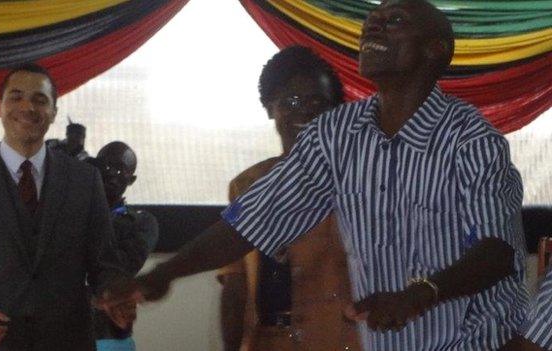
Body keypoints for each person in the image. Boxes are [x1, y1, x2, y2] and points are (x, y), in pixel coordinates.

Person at [101, 1, 529, 349]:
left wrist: (420, 295)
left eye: (393, 21)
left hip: (477, 342)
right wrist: (163, 274)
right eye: (371, 22)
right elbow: (254, 221)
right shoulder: (337, 134)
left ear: (436, 49)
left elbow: (496, 252)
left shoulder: (472, 140)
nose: (372, 30)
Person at [0, 64, 133, 351]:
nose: (27, 107)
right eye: (16, 97)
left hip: (70, 343)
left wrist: (115, 297)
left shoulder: (85, 180)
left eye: (40, 99)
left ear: (53, 113)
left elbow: (105, 264)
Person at [216, 46, 360, 351]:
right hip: (266, 341)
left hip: (338, 340)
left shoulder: (357, 180)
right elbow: (235, 285)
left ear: (333, 110)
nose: (304, 111)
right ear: (270, 107)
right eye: (291, 101)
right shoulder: (247, 184)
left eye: (316, 102)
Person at [88, 142, 159, 351]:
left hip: (108, 334)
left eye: (120, 169)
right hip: (60, 331)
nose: (111, 174)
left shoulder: (142, 222)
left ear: (131, 179)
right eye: (105, 167)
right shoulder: (72, 213)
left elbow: (120, 268)